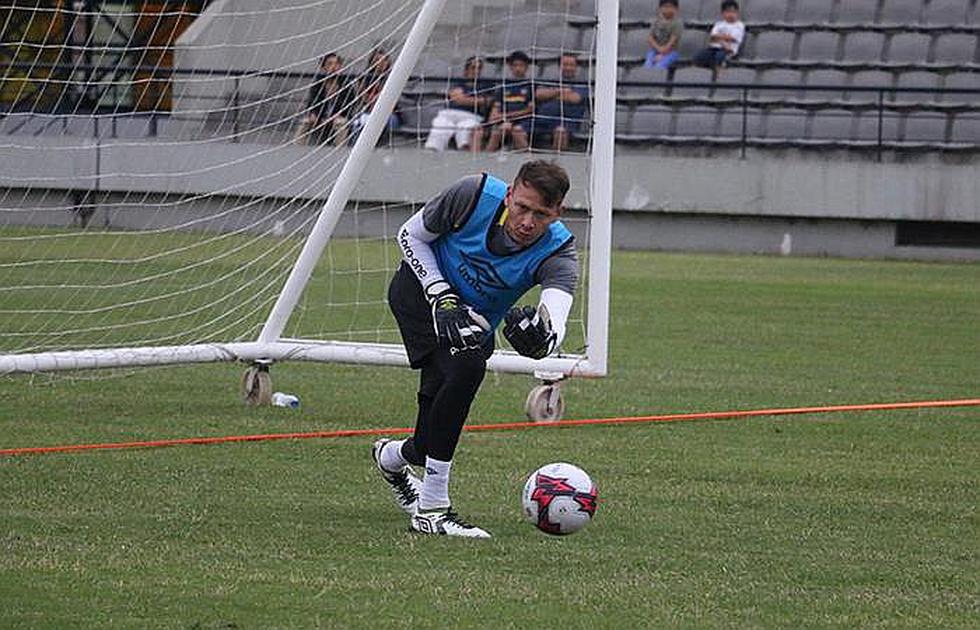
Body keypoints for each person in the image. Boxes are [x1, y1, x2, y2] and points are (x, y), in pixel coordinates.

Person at [372, 160, 579, 538]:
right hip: (419, 294)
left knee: (428, 439)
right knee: (468, 366)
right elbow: (410, 236)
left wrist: (543, 338)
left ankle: (392, 458)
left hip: (472, 324)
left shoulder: (559, 251)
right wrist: (441, 296)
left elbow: (556, 315)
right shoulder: (473, 194)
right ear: (510, 195)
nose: (528, 222)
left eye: (541, 214)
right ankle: (432, 510)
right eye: (522, 207)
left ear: (558, 213)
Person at [424, 56, 494, 153]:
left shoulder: (486, 85)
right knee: (441, 125)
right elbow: (457, 99)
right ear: (466, 69)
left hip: (471, 116)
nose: (476, 71)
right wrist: (477, 100)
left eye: (479, 68)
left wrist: (465, 99)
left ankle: (463, 152)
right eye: (473, 68)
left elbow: (488, 101)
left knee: (466, 128)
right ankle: (432, 151)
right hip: (449, 113)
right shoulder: (458, 82)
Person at [532, 53, 590, 152]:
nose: (568, 68)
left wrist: (550, 94)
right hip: (543, 120)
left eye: (571, 65)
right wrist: (561, 91)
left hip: (568, 122)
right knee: (518, 131)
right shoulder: (550, 80)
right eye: (565, 64)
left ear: (576, 67)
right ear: (560, 66)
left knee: (560, 131)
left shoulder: (582, 83)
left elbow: (575, 98)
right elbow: (539, 94)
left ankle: (556, 162)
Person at [296, 52, 356, 145]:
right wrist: (313, 114)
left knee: (341, 123)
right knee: (305, 123)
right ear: (323, 67)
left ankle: (339, 149)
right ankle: (298, 148)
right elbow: (312, 102)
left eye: (336, 64)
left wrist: (336, 115)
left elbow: (350, 105)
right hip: (321, 117)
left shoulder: (346, 84)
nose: (333, 67)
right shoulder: (318, 84)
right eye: (330, 64)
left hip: (338, 116)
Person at [485, 50, 535, 152]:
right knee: (498, 131)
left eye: (521, 65)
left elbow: (529, 110)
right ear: (510, 67)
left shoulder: (531, 86)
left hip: (524, 121)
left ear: (526, 67)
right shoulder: (503, 87)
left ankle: (528, 161)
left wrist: (507, 117)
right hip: (503, 121)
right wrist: (500, 118)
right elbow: (494, 114)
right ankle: (484, 162)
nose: (518, 68)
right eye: (515, 65)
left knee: (517, 130)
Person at [694, 0, 745, 70]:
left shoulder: (739, 25)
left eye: (734, 12)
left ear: (737, 13)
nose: (731, 14)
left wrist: (719, 37)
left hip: (728, 51)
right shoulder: (719, 24)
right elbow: (713, 36)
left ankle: (718, 72)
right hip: (714, 48)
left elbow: (732, 38)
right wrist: (723, 41)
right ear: (722, 14)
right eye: (728, 12)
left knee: (719, 57)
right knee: (699, 56)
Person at [645, 0, 684, 70]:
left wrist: (662, 54)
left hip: (671, 52)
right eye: (665, 7)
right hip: (655, 50)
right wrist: (658, 50)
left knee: (659, 66)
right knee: (647, 65)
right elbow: (650, 38)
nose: (668, 9)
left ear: (676, 9)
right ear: (660, 8)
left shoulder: (677, 24)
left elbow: (672, 41)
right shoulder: (656, 22)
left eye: (671, 7)